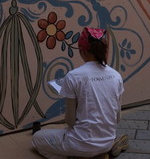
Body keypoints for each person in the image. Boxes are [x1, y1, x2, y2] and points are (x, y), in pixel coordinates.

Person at [32, 27, 129, 159]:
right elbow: (117, 118)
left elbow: (70, 121)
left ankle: (79, 156)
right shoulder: (116, 76)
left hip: (81, 144)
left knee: (37, 138)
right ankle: (101, 153)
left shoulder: (74, 76)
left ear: (82, 51)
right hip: (107, 141)